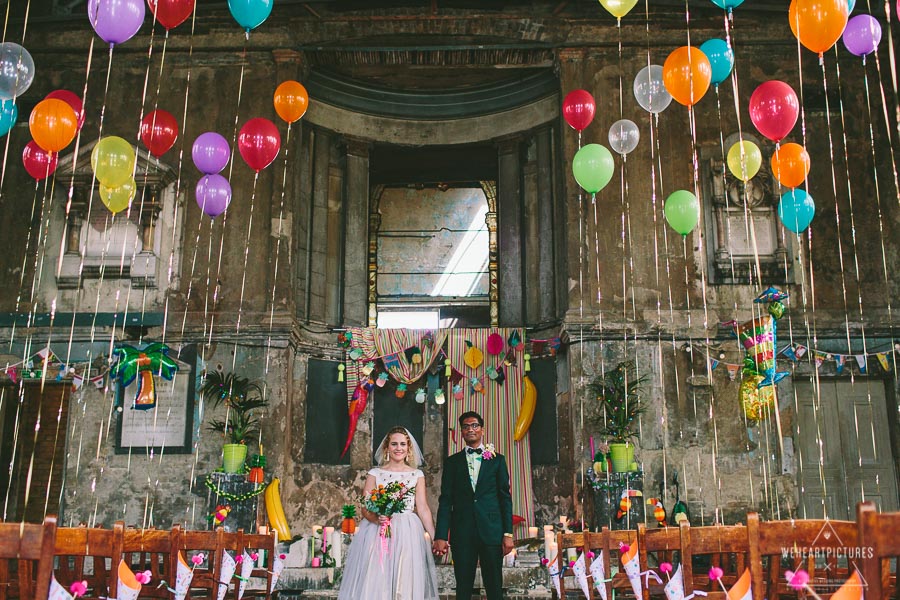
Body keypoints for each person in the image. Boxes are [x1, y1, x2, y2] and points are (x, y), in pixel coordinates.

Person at [338, 426, 439, 600]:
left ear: (408, 448)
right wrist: (377, 519)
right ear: (387, 448)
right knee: (378, 576)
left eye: (402, 444)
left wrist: (435, 536)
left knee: (405, 576)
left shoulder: (416, 474)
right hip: (379, 531)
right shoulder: (375, 473)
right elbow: (365, 506)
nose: (398, 448)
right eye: (394, 444)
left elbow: (422, 507)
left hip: (408, 531)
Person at [433, 411, 514, 600]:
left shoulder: (497, 460)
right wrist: (441, 536)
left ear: (482, 430)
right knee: (463, 587)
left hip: (491, 531)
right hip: (463, 532)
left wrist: (507, 534)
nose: (471, 429)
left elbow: (505, 498)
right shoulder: (452, 463)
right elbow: (445, 501)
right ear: (461, 432)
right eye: (466, 426)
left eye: (475, 425)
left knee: (494, 587)